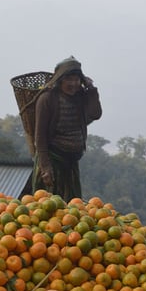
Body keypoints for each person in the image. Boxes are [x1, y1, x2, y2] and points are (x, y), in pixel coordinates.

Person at [30, 56, 102, 201]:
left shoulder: (81, 96)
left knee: (72, 208)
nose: (73, 84)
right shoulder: (47, 99)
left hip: (71, 162)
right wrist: (45, 168)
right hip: (52, 161)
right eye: (69, 79)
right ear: (60, 79)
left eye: (77, 79)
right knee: (48, 208)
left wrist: (91, 89)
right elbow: (40, 137)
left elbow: (95, 114)